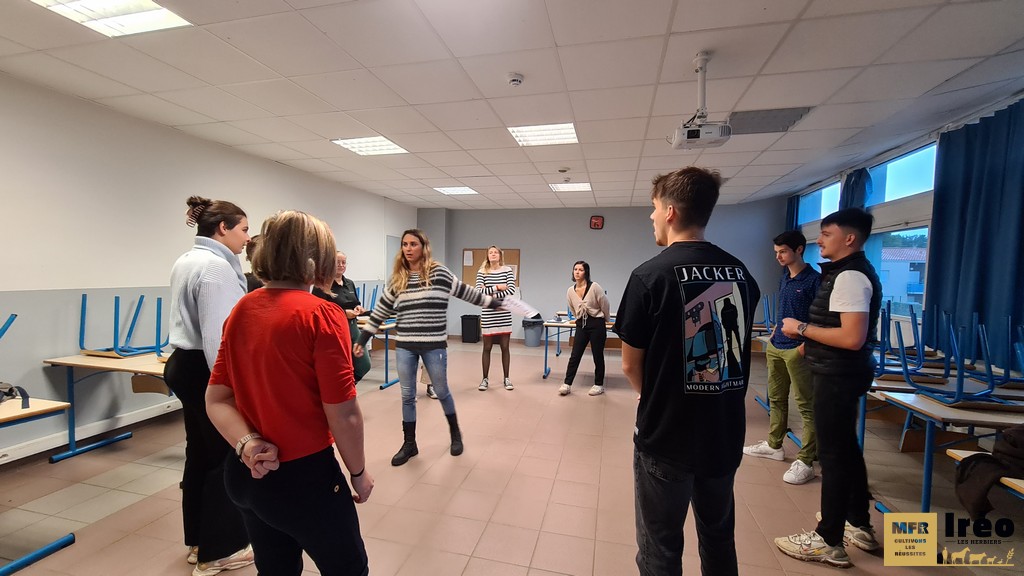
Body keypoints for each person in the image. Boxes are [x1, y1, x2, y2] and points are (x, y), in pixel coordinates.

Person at [206, 210, 372, 576]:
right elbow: (343, 413)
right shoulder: (323, 315)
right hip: (304, 480)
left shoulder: (243, 308)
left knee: (276, 569)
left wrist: (247, 443)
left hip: (247, 474)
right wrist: (358, 472)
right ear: (319, 261)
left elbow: (216, 399)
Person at [614, 167, 760, 576]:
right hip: (723, 433)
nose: (651, 217)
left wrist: (651, 396)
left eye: (654, 208)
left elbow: (629, 363)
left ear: (672, 211)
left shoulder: (649, 276)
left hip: (667, 437)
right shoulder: (741, 273)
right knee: (718, 538)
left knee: (660, 548)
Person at [774, 208, 883, 568]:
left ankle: (828, 539)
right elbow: (838, 327)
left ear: (849, 238)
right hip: (837, 369)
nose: (819, 240)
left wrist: (801, 330)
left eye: (826, 233)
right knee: (847, 451)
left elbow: (852, 337)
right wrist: (810, 343)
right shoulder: (843, 273)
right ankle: (860, 524)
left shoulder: (850, 275)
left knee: (835, 456)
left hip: (839, 374)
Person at [354, 229, 501, 466]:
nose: (408, 248)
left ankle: (455, 434)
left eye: (413, 244)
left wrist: (493, 303)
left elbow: (466, 292)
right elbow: (381, 310)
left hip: (434, 345)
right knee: (407, 396)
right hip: (405, 346)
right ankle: (410, 444)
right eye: (404, 244)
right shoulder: (398, 278)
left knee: (441, 391)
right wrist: (362, 339)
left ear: (424, 247)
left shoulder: (438, 273)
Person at [165, 195, 253, 575]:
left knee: (198, 453)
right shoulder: (216, 268)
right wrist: (231, 391)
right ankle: (219, 551)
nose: (248, 238)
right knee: (223, 456)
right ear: (223, 228)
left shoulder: (187, 259)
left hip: (184, 364)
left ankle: (198, 540)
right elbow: (220, 338)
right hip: (206, 367)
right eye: (245, 229)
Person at [743, 231, 821, 485]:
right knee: (776, 398)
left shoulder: (815, 281)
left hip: (798, 350)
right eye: (776, 252)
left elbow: (821, 320)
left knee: (806, 405)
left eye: (783, 251)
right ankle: (775, 445)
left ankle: (806, 459)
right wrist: (776, 331)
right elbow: (785, 311)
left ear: (799, 250)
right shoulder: (785, 277)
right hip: (777, 346)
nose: (778, 256)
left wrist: (805, 347)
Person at [313, 252, 370, 382]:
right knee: (341, 366)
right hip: (334, 331)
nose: (341, 265)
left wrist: (358, 308)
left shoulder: (349, 283)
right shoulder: (322, 285)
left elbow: (356, 303)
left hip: (353, 328)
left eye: (343, 262)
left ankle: (349, 386)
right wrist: (344, 314)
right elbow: (318, 312)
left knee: (364, 364)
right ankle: (344, 394)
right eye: (337, 262)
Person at [559, 261, 610, 396]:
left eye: (580, 270)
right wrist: (577, 317)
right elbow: (571, 306)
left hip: (597, 323)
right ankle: (567, 383)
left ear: (586, 272)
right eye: (575, 269)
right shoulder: (571, 290)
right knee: (575, 355)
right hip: (581, 323)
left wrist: (606, 319)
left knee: (597, 355)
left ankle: (599, 384)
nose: (577, 272)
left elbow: (604, 303)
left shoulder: (594, 287)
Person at [475, 245, 516, 391]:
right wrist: (497, 287)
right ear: (487, 256)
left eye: (495, 252)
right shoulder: (482, 272)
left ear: (500, 255)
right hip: (488, 314)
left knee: (505, 347)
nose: (493, 254)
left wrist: (491, 296)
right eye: (490, 252)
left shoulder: (507, 271)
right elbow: (479, 292)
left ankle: (507, 378)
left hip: (504, 314)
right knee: (487, 347)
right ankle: (485, 379)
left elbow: (511, 290)